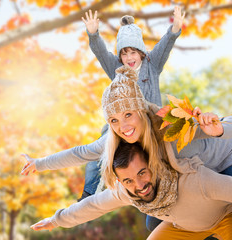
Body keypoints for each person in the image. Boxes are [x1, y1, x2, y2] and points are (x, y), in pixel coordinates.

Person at [28, 67, 232, 239]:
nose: (123, 126)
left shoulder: (172, 127)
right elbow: (82, 158)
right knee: (153, 218)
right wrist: (39, 164)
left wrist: (219, 129)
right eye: (114, 120)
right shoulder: (117, 143)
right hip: (189, 192)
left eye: (128, 114)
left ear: (140, 110)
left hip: (227, 163)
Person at [78, 7, 185, 223]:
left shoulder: (152, 65)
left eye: (133, 52)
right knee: (97, 150)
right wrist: (93, 34)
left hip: (150, 123)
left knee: (165, 153)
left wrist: (175, 28)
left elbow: (166, 45)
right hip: (123, 124)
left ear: (141, 53)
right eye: (124, 53)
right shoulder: (116, 69)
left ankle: (175, 189)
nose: (129, 58)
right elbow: (101, 53)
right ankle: (88, 194)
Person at [30, 141, 232, 239]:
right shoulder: (127, 191)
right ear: (120, 182)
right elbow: (93, 205)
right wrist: (57, 220)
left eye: (142, 173)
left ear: (153, 165)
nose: (139, 186)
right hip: (185, 227)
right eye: (129, 180)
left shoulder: (194, 179)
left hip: (227, 216)